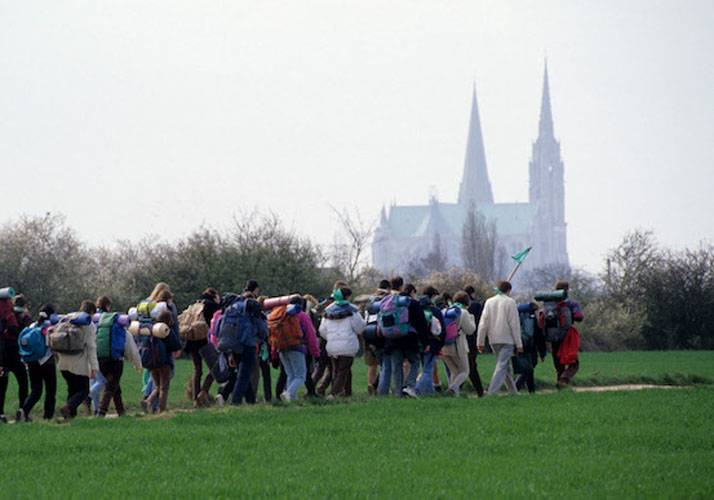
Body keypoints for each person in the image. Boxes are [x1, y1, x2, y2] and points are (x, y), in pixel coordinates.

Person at [377, 278, 429, 398]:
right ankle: (409, 386)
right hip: (409, 339)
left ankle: (398, 394)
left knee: (397, 367)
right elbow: (421, 325)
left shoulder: (389, 303)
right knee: (415, 361)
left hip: (392, 340)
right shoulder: (413, 303)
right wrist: (425, 342)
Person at [95, 296, 142, 417]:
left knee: (115, 386)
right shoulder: (121, 330)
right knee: (110, 387)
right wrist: (138, 365)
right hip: (116, 361)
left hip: (101, 360)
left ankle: (121, 412)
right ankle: (101, 412)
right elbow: (131, 350)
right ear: (108, 306)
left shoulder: (98, 326)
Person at [318, 286, 366, 399]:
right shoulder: (352, 310)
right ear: (347, 297)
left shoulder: (328, 310)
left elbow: (322, 331)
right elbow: (360, 327)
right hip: (348, 346)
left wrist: (331, 338)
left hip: (332, 346)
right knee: (343, 371)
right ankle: (333, 394)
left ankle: (346, 393)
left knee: (337, 370)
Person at [476, 280, 522, 396]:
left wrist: (480, 341)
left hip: (493, 339)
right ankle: (492, 392)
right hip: (507, 340)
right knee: (502, 366)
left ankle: (513, 392)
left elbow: (483, 323)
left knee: (504, 367)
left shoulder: (489, 302)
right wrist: (519, 344)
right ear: (509, 290)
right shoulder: (510, 302)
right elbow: (514, 325)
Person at [57, 300, 99, 419]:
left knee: (72, 389)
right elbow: (91, 347)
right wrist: (94, 367)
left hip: (63, 363)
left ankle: (71, 416)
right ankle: (68, 407)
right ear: (91, 312)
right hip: (79, 364)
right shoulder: (88, 324)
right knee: (83, 391)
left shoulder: (67, 319)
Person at [229, 280, 267, 406]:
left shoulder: (233, 306)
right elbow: (261, 329)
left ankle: (251, 400)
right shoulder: (252, 307)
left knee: (242, 371)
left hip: (234, 344)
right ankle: (235, 401)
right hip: (248, 344)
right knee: (244, 374)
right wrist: (263, 337)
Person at [275, 295, 320, 402]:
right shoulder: (302, 315)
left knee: (291, 375)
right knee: (301, 376)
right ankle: (288, 393)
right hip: (297, 348)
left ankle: (292, 402)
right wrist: (316, 352)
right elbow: (310, 335)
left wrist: (274, 353)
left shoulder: (281, 315)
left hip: (282, 349)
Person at [17, 304, 57, 421]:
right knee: (50, 391)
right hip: (47, 361)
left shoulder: (33, 325)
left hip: (32, 361)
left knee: (36, 391)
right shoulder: (50, 326)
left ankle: (23, 411)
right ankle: (48, 417)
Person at [183, 287, 221, 407]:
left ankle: (196, 399)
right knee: (215, 366)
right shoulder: (212, 305)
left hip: (191, 340)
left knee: (197, 370)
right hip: (205, 341)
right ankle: (204, 392)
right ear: (214, 296)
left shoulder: (194, 303)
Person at [0, 294, 30, 423]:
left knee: (2, 385)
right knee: (23, 382)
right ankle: (22, 411)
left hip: (4, 352)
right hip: (17, 353)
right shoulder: (22, 316)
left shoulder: (3, 315)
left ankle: (1, 413)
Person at [549, 280, 584, 389]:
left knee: (559, 365)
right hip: (566, 336)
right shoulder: (571, 303)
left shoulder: (550, 303)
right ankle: (564, 380)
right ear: (567, 290)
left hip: (553, 336)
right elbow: (579, 317)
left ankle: (560, 389)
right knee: (574, 363)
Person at [440, 291, 476, 396]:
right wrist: (472, 318)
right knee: (465, 371)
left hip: (445, 347)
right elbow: (470, 330)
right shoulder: (463, 312)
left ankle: (454, 395)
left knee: (454, 371)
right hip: (458, 347)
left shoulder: (445, 310)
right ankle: (453, 388)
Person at [414, 286, 446, 395]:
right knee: (428, 371)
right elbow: (442, 331)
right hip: (433, 344)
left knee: (427, 367)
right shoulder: (435, 310)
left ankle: (430, 393)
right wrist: (440, 345)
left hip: (420, 343)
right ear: (433, 296)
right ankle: (416, 391)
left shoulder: (418, 308)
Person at [363, 280, 390, 395]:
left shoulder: (370, 300)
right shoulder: (387, 299)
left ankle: (371, 386)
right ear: (388, 288)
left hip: (368, 333)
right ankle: (381, 387)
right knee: (386, 363)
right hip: (380, 333)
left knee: (372, 364)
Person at [514, 301, 547, 393]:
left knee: (528, 368)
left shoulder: (519, 317)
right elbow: (539, 337)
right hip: (530, 346)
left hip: (520, 345)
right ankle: (515, 388)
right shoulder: (532, 320)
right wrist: (542, 353)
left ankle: (531, 391)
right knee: (527, 368)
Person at [463, 285, 485, 397]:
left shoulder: (458, 307)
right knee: (471, 366)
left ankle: (456, 388)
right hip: (473, 340)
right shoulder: (476, 305)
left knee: (462, 366)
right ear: (472, 293)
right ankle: (479, 390)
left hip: (461, 340)